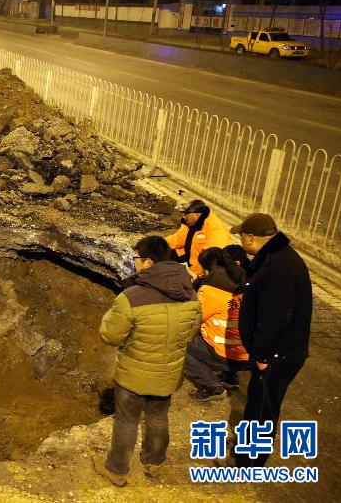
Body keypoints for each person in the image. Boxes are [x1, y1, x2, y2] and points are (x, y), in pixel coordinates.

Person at [93, 236, 201, 487]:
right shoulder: (190, 294)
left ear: (149, 261)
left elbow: (111, 335)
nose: (135, 264)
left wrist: (114, 318)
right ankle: (155, 461)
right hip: (168, 372)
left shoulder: (133, 296)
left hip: (134, 373)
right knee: (157, 417)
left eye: (137, 259)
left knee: (127, 421)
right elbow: (192, 332)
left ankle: (117, 470)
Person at [231, 213, 312, 468]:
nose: (240, 240)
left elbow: (274, 318)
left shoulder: (278, 268)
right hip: (278, 352)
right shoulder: (276, 258)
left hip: (278, 355)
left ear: (251, 237)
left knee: (262, 409)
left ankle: (249, 464)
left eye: (241, 235)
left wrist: (264, 356)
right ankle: (247, 451)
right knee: (259, 402)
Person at [185, 247, 250, 401]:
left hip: (226, 356)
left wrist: (193, 289)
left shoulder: (211, 291)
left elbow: (190, 319)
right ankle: (230, 378)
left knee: (178, 341)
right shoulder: (243, 283)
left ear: (209, 270)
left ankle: (212, 385)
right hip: (248, 355)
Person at [166, 199, 231, 278]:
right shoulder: (190, 223)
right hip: (189, 257)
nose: (184, 217)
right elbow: (178, 238)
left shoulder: (216, 231)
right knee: (164, 255)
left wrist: (191, 275)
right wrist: (158, 245)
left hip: (204, 269)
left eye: (186, 214)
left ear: (197, 214)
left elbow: (208, 261)